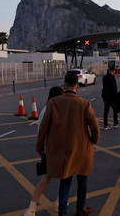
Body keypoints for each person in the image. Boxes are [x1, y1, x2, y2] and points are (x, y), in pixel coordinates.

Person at [36, 74, 100, 216]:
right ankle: (80, 209)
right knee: (82, 180)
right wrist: (94, 140)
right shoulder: (84, 103)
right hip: (82, 149)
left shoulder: (53, 103)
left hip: (61, 150)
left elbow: (43, 129)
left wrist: (40, 147)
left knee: (65, 182)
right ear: (76, 86)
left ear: (64, 85)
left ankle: (62, 213)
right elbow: (95, 126)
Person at [24, 86, 64, 216]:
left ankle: (31, 208)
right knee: (65, 177)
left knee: (46, 179)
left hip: (47, 150)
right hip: (57, 150)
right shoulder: (54, 110)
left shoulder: (44, 109)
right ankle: (59, 203)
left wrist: (41, 149)